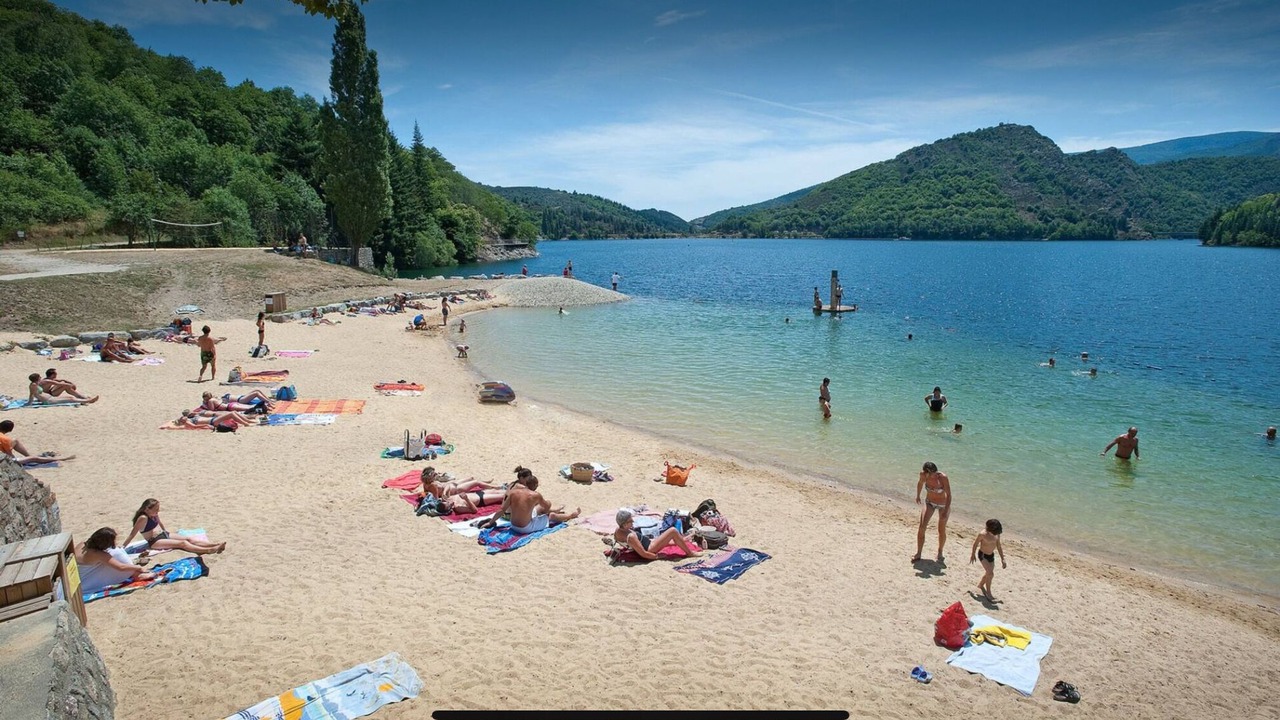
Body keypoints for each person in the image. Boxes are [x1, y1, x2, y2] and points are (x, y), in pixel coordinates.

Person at [123, 499, 226, 554]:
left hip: (163, 535)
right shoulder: (143, 518)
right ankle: (208, 550)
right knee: (182, 543)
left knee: (188, 538)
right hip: (154, 541)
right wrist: (123, 547)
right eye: (155, 509)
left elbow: (161, 524)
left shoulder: (154, 514)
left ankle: (215, 544)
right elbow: (132, 534)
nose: (157, 511)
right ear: (147, 509)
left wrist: (166, 533)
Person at [76, 528, 155, 594]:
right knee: (117, 552)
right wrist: (138, 567)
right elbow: (121, 567)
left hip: (75, 578)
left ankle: (135, 574)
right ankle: (136, 574)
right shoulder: (99, 554)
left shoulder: (82, 544)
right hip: (85, 583)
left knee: (114, 553)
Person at [612, 508, 701, 560]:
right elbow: (643, 553)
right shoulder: (630, 537)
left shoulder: (618, 531)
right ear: (624, 524)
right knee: (673, 530)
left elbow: (625, 544)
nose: (633, 521)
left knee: (669, 538)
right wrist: (657, 556)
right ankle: (689, 553)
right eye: (630, 521)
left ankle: (683, 540)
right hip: (651, 548)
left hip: (648, 542)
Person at [502, 474, 578, 534]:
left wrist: (491, 522)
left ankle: (556, 510)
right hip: (524, 528)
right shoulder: (535, 495)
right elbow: (547, 506)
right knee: (551, 516)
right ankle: (571, 515)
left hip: (513, 525)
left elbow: (502, 509)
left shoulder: (515, 491)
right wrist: (548, 502)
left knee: (539, 508)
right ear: (535, 486)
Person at [912, 461, 951, 563]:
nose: (934, 475)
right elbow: (920, 483)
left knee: (941, 530)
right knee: (922, 527)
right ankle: (919, 553)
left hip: (943, 505)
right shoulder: (923, 475)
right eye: (931, 473)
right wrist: (918, 495)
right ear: (926, 473)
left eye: (935, 473)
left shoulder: (942, 477)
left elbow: (949, 495)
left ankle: (940, 551)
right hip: (929, 503)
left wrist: (946, 510)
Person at [0, 419, 75, 465]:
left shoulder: (4, 438)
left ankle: (28, 456)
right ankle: (62, 459)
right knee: (34, 458)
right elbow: (9, 456)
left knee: (15, 441)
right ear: (9, 430)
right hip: (4, 460)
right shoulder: (6, 439)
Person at [969, 519, 1007, 602]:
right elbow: (975, 544)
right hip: (983, 555)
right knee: (990, 573)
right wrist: (973, 554)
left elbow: (999, 546)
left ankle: (980, 585)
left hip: (991, 555)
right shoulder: (983, 534)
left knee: (988, 573)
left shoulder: (997, 534)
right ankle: (988, 593)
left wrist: (1002, 558)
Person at [28, 374, 97, 405]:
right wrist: (29, 403)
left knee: (70, 397)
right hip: (48, 400)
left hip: (51, 398)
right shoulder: (33, 385)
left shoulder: (37, 384)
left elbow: (58, 382)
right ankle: (88, 400)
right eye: (39, 377)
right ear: (37, 378)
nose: (41, 377)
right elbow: (32, 394)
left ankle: (84, 400)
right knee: (70, 399)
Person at [173, 409, 257, 430]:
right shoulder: (188, 422)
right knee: (231, 414)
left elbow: (196, 413)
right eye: (181, 418)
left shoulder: (191, 417)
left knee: (233, 412)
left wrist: (192, 414)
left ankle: (248, 421)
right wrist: (206, 425)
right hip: (213, 422)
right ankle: (246, 423)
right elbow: (194, 426)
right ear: (182, 421)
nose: (183, 417)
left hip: (214, 419)